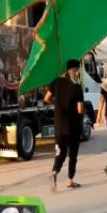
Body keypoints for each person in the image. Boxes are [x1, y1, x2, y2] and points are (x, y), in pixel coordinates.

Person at [45, 59, 84, 192]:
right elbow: (80, 110)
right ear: (76, 70)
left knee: (60, 152)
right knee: (72, 154)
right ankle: (70, 180)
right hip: (73, 126)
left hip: (59, 125)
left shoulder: (56, 82)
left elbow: (46, 98)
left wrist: (57, 104)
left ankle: (55, 171)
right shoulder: (77, 87)